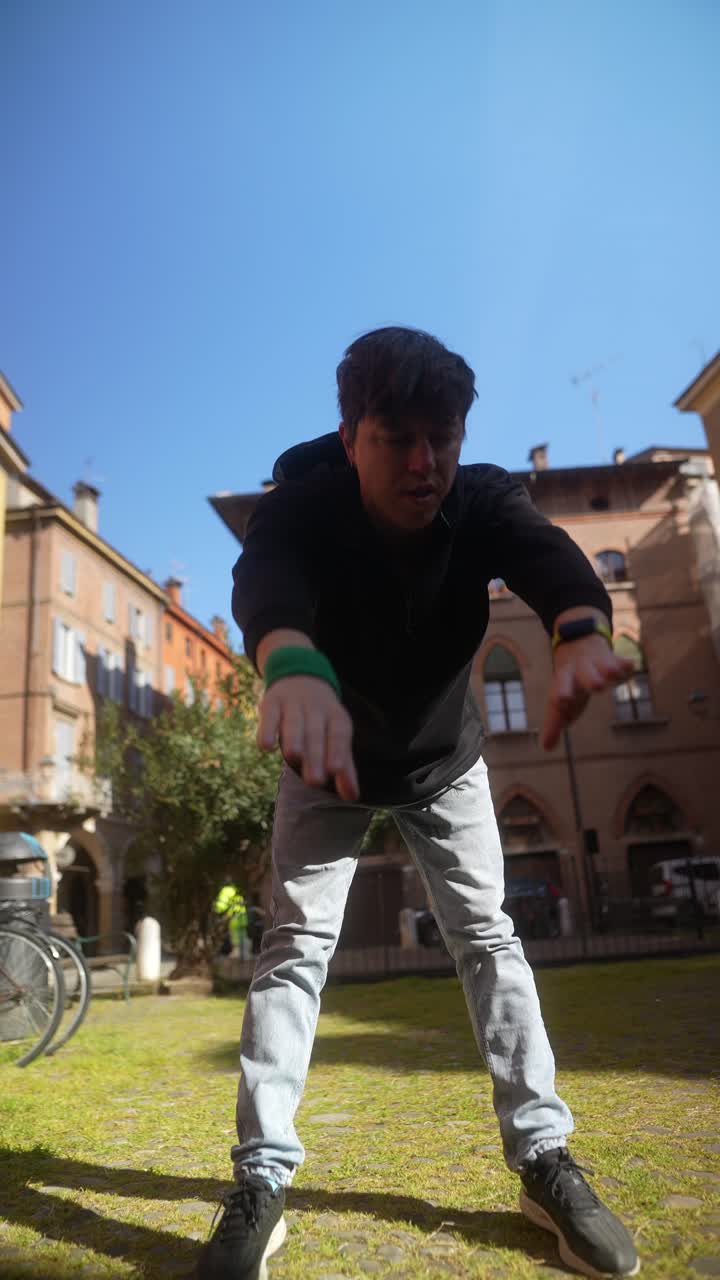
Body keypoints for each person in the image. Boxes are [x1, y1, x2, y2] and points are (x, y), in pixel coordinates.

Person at [197, 327, 639, 1280]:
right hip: (327, 762)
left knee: (491, 942)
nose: (423, 461)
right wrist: (294, 665)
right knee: (292, 954)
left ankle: (545, 1161)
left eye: (441, 434)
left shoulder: (480, 496)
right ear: (351, 433)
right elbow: (264, 577)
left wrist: (578, 627)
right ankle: (261, 1180)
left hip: (445, 762)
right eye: (396, 436)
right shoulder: (301, 504)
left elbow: (547, 551)